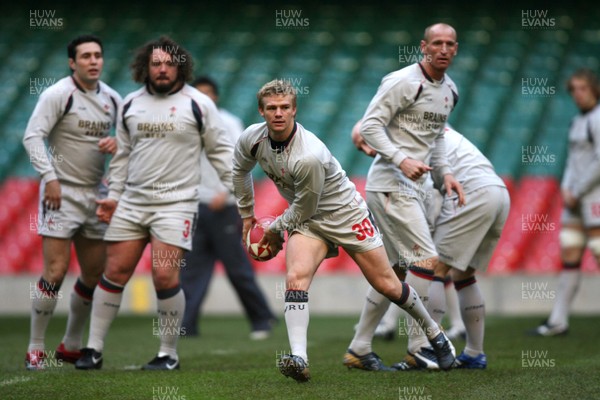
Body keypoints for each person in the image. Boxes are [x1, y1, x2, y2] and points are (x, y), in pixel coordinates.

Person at [232, 79, 455, 382]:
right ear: (261, 111)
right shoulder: (252, 139)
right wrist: (247, 216)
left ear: (295, 110)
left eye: (285, 107)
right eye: (272, 108)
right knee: (296, 278)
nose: (278, 113)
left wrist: (274, 229)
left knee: (387, 285)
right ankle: (299, 357)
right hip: (309, 222)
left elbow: (304, 208)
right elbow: (240, 171)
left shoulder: (308, 154)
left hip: (345, 215)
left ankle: (435, 333)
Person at [75, 36, 234, 371]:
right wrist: (113, 197)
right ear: (145, 67)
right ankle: (92, 349)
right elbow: (121, 156)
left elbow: (221, 154)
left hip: (176, 205)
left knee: (164, 276)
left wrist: (240, 196)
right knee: (114, 271)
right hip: (132, 201)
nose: (162, 70)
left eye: (169, 64)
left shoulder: (198, 104)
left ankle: (168, 353)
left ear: (181, 67)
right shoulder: (130, 103)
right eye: (156, 64)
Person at [347, 123, 509, 370]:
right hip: (496, 192)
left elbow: (430, 193)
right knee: (463, 275)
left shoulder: (402, 144)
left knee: (430, 268)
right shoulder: (424, 126)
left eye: (365, 141)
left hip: (469, 193)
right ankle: (474, 354)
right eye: (360, 149)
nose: (368, 151)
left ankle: (424, 350)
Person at [351, 23, 464, 370]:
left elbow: (437, 137)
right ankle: (419, 345)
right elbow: (369, 126)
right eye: (437, 43)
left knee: (394, 272)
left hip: (418, 187)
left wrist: (445, 174)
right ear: (423, 47)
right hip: (389, 185)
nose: (443, 49)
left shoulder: (450, 91)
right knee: (426, 260)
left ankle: (359, 346)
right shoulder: (402, 81)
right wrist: (401, 158)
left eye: (449, 44)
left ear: (455, 49)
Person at [22, 34, 121, 370]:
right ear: (72, 62)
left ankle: (71, 344)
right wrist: (50, 178)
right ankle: (35, 346)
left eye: (98, 55)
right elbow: (32, 136)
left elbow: (128, 142)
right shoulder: (57, 94)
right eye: (86, 56)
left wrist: (117, 144)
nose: (93, 61)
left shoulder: (113, 99)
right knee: (56, 270)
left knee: (93, 274)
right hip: (60, 191)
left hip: (97, 194)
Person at [181, 76, 275, 340]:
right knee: (192, 268)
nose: (204, 98)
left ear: (216, 96)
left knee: (237, 267)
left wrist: (226, 192)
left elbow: (243, 160)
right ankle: (186, 324)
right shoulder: (186, 123)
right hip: (197, 205)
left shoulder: (229, 122)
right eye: (199, 93)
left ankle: (261, 318)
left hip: (224, 206)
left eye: (208, 93)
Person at [530, 69, 600, 336]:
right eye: (574, 89)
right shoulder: (577, 121)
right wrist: (566, 188)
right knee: (570, 254)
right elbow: (573, 161)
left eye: (583, 88)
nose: (578, 94)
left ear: (593, 88)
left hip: (594, 198)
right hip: (576, 200)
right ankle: (558, 320)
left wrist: (578, 190)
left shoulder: (597, 118)